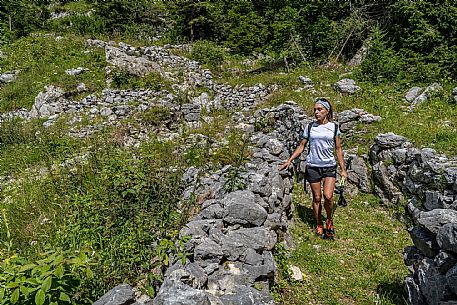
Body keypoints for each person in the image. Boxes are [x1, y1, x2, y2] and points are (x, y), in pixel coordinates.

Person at [279, 98, 348, 239]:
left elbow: (338, 149)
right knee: (317, 197)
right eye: (315, 110)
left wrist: (343, 169)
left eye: (319, 109)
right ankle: (319, 224)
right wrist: (290, 160)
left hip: (329, 165)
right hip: (313, 166)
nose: (316, 112)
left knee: (328, 196)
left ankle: (329, 220)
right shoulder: (310, 127)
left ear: (327, 111)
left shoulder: (334, 127)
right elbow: (302, 146)